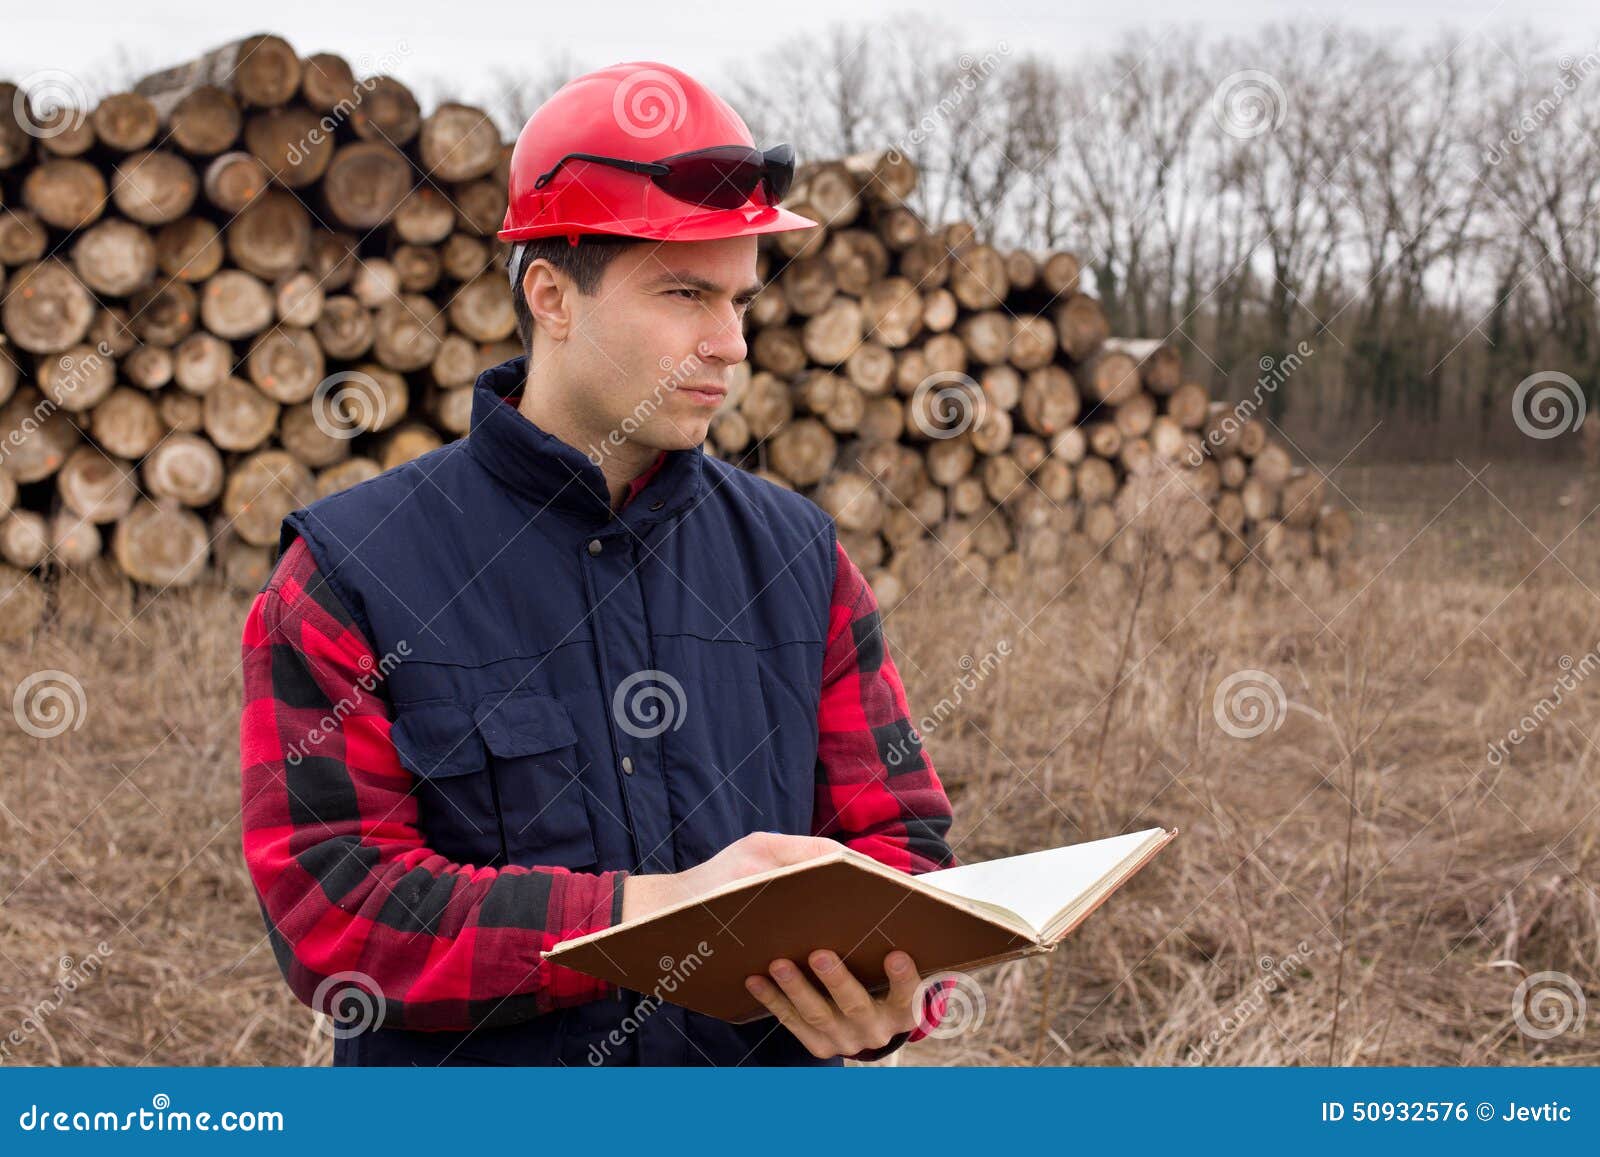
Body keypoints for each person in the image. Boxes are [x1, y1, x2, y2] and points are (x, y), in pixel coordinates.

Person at [239, 60, 957, 1067]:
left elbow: (904, 844)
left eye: (741, 299)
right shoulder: (351, 569)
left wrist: (890, 990)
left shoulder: (799, 560)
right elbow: (335, 907)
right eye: (685, 294)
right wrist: (644, 914)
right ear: (551, 295)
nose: (732, 342)